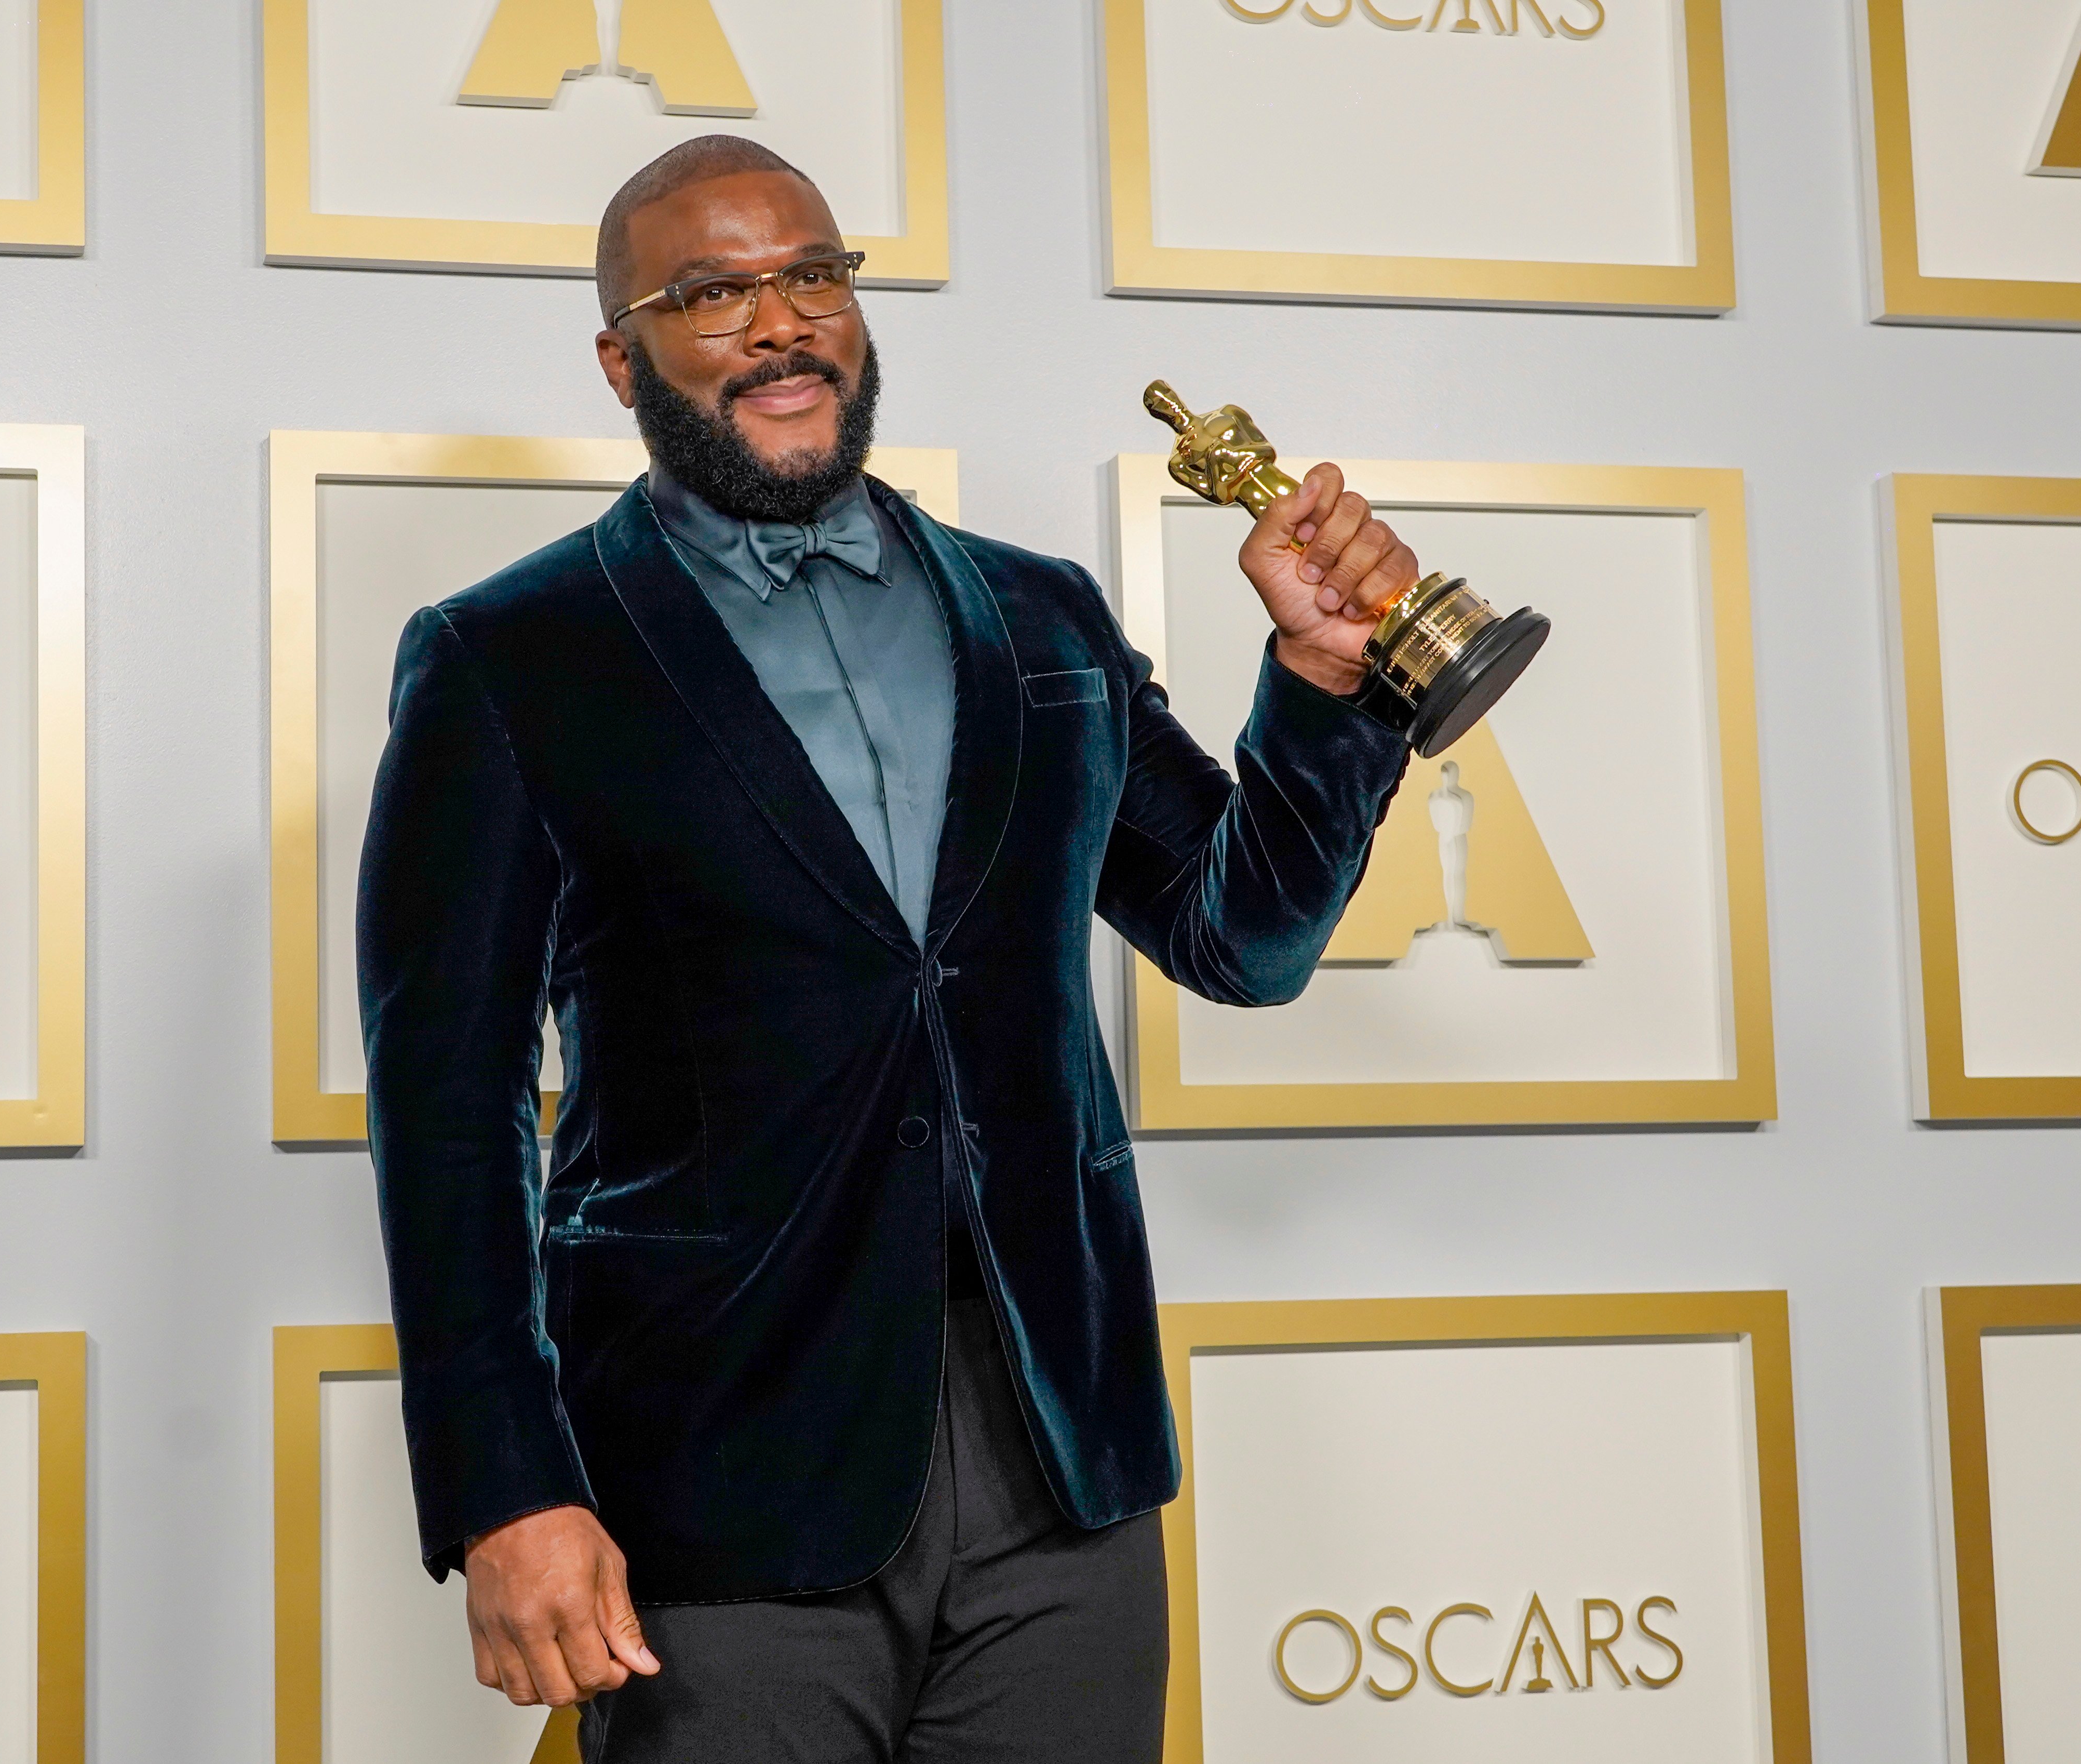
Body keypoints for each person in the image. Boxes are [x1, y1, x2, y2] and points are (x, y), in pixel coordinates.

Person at [357, 136, 1418, 1763]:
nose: (779, 321)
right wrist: (509, 1487)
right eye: (709, 292)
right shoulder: (508, 658)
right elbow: (448, 1110)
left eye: (812, 272)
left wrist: (1322, 681)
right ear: (620, 354)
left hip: (1060, 1462)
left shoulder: (1039, 616)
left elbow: (1238, 935)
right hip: (714, 1483)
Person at [1429, 758, 1474, 929]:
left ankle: (1456, 917)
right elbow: (1442, 824)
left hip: (1453, 838)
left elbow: (1463, 824)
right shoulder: (1440, 798)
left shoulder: (1461, 797)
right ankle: (1452, 918)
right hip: (1450, 838)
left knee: (1455, 874)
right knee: (1451, 874)